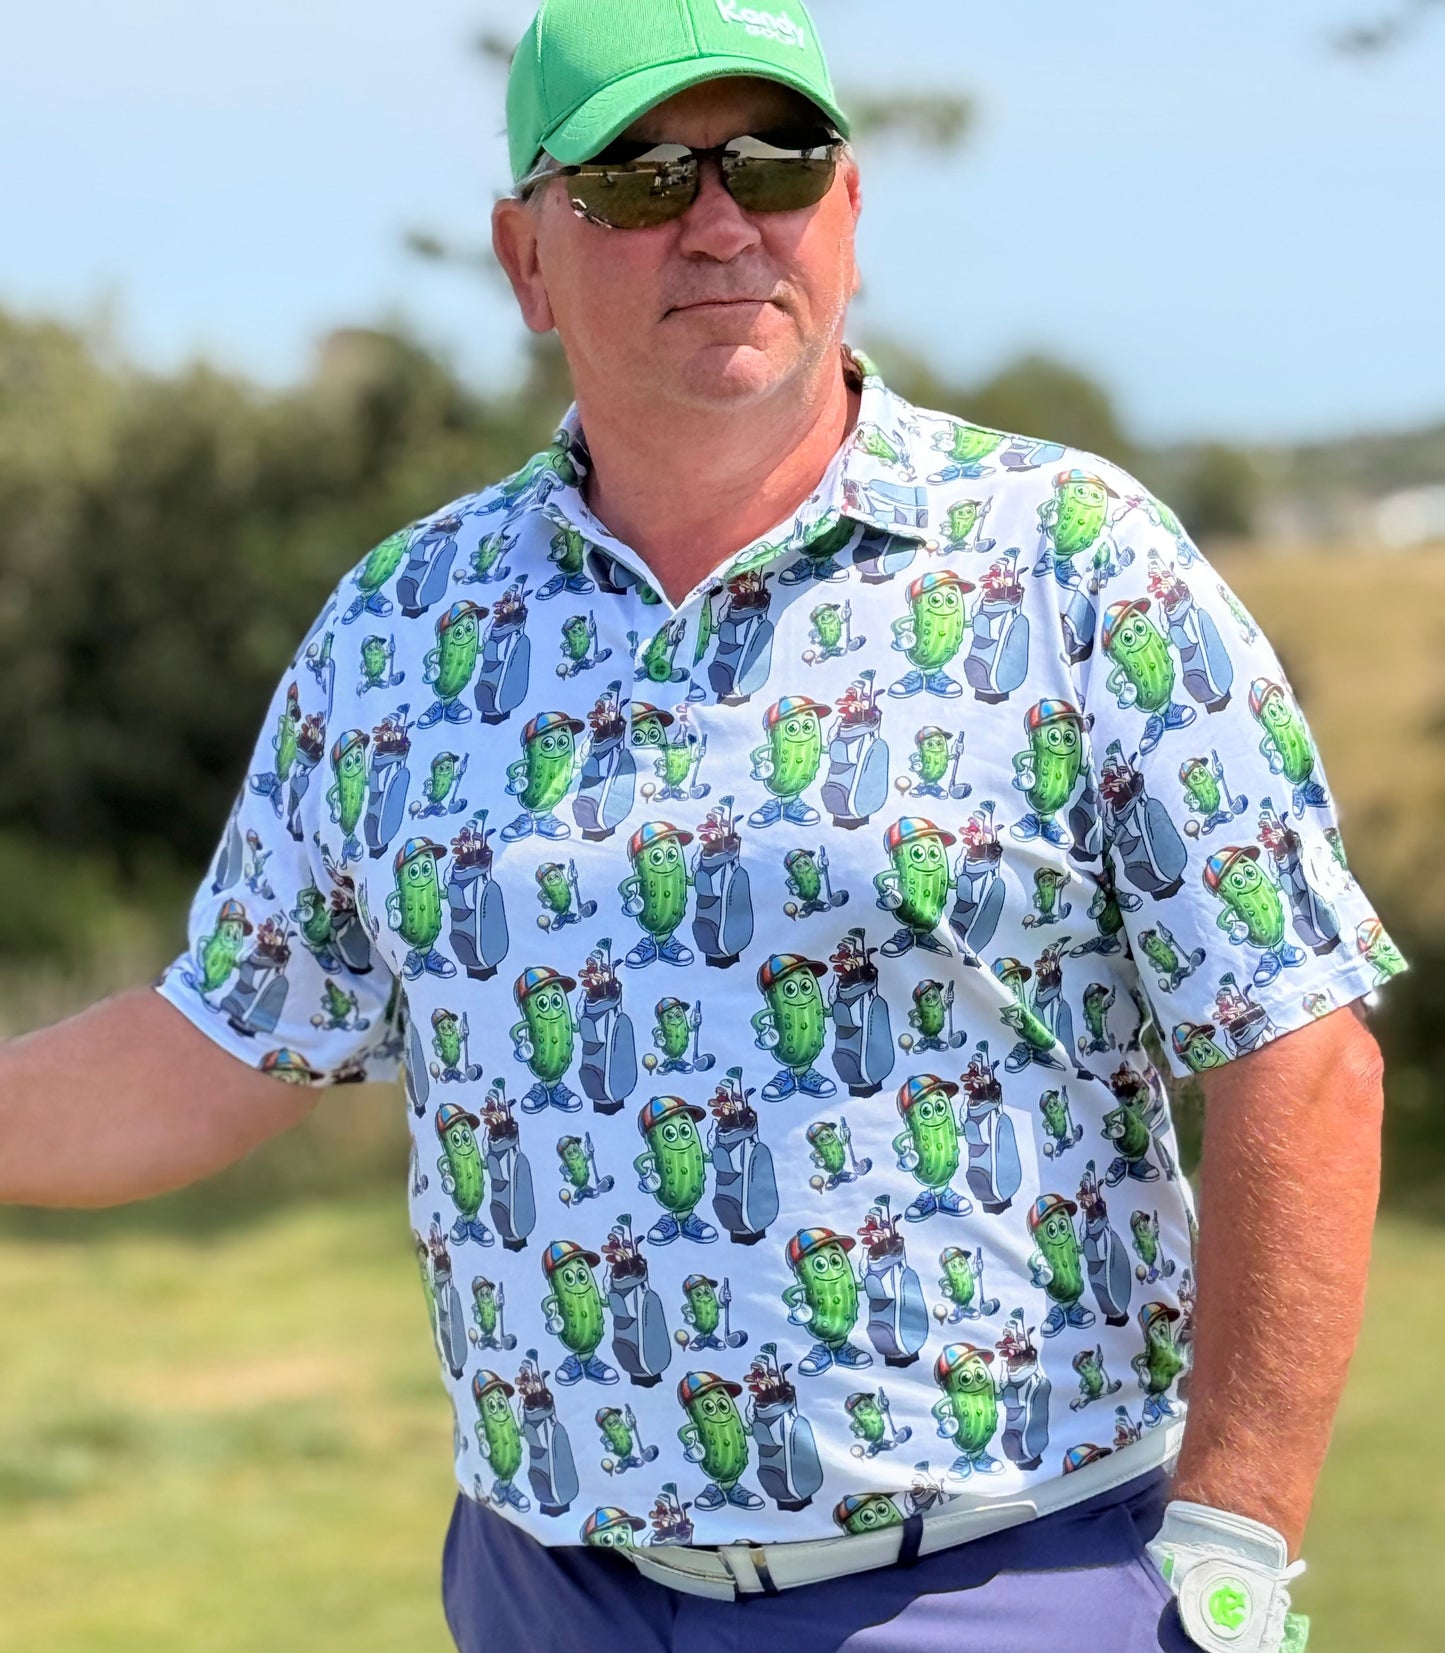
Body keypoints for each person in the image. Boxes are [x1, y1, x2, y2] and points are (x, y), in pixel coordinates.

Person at [0, 3, 1409, 1650]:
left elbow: (1294, 1045)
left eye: (774, 160)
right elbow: (222, 1039)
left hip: (1007, 1582)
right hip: (548, 1590)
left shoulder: (1076, 566)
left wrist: (1235, 1539)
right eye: (637, 179)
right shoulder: (404, 625)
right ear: (526, 259)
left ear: (853, 213)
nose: (722, 220)